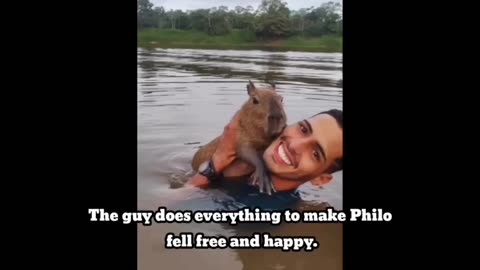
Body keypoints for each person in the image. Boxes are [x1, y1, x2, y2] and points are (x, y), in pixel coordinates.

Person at [188, 109, 343, 195]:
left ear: (321, 179)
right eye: (303, 129)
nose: (294, 145)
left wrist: (217, 162)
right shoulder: (253, 154)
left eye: (315, 153)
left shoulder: (261, 213)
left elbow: (168, 208)